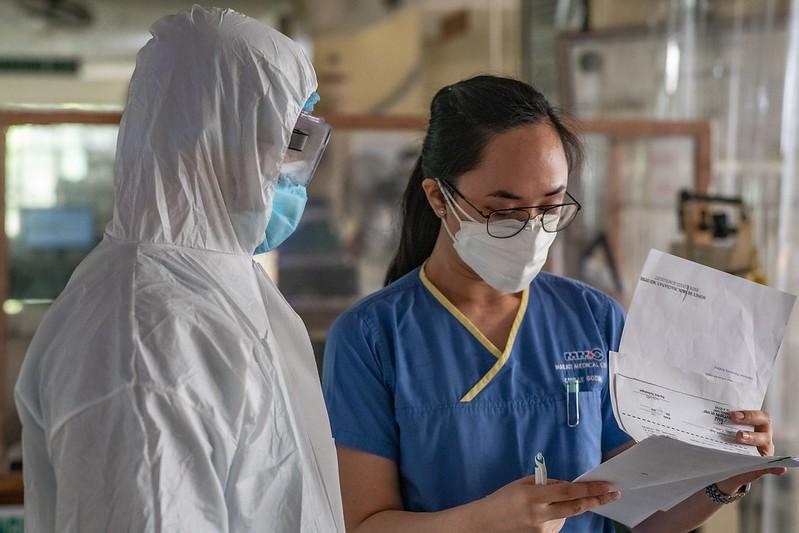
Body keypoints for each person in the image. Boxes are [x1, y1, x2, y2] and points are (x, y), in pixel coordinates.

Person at [322, 75, 784, 533]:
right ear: (438, 197)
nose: (531, 227)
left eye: (550, 204)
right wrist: (484, 522)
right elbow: (363, 524)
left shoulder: (593, 319)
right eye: (503, 209)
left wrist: (722, 478)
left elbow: (641, 514)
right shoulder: (371, 338)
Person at [15, 7, 343, 532]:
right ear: (216, 136)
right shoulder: (144, 330)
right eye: (285, 141)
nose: (295, 171)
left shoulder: (218, 281)